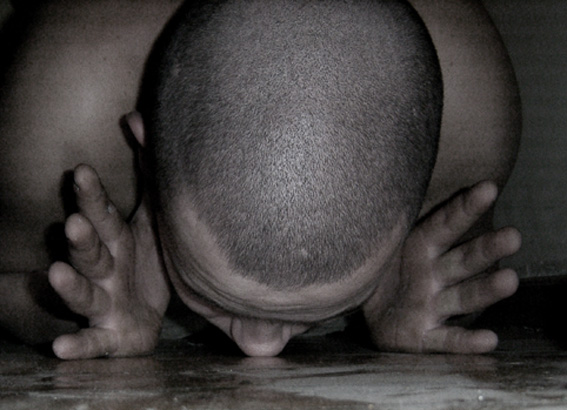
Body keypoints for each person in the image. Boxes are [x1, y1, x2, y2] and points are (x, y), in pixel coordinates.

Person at [0, 0, 522, 359]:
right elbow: (10, 287)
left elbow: (457, 280)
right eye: (214, 297)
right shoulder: (55, 118)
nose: (260, 347)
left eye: (315, 313)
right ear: (146, 158)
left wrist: (415, 303)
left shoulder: (472, 116)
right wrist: (78, 312)